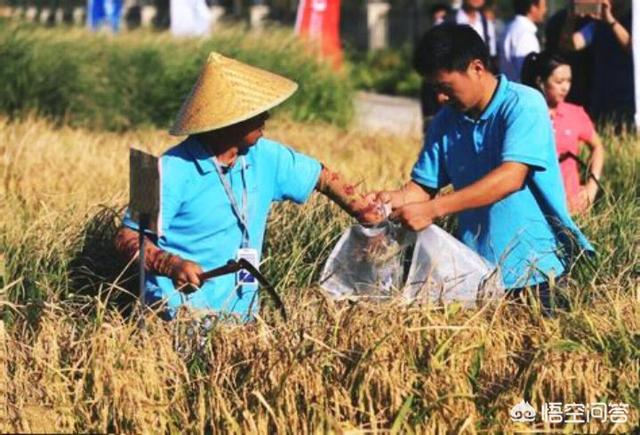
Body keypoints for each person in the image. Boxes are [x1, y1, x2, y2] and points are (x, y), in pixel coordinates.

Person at [115, 52, 384, 320]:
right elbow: (125, 238)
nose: (266, 115)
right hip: (179, 318)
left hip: (242, 319)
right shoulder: (160, 169)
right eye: (255, 111)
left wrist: (365, 212)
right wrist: (171, 265)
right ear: (227, 120)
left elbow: (322, 176)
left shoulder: (266, 155)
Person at [375, 24, 593, 306]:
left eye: (445, 87)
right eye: (435, 89)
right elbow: (422, 186)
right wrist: (390, 200)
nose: (441, 97)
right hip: (477, 272)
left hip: (538, 271)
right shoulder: (445, 121)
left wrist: (433, 209)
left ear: (477, 68)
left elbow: (511, 178)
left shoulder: (523, 105)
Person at [521, 51, 605, 215]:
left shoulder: (575, 113)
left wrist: (591, 187)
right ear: (541, 82)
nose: (565, 87)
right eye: (559, 81)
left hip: (573, 207)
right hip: (535, 207)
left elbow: (598, 148)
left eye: (569, 81)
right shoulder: (526, 114)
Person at [558, 0, 633, 124]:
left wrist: (612, 22)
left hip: (628, 99)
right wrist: (570, 19)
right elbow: (569, 44)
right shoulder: (598, 25)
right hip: (602, 100)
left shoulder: (633, 20)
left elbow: (633, 49)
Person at [499, 0, 547, 82]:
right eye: (544, 6)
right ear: (533, 7)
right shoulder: (525, 35)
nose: (545, 10)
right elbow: (526, 73)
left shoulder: (511, 27)